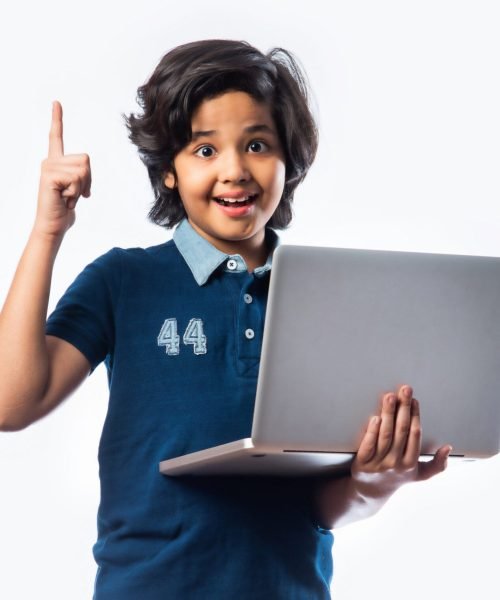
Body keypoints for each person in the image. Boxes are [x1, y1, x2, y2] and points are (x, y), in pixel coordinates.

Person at [0, 39, 451, 599]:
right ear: (169, 171)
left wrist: (373, 483)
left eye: (257, 144)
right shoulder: (123, 281)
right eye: (205, 150)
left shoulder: (331, 299)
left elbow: (319, 506)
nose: (235, 170)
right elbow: (9, 402)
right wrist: (48, 231)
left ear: (290, 159)